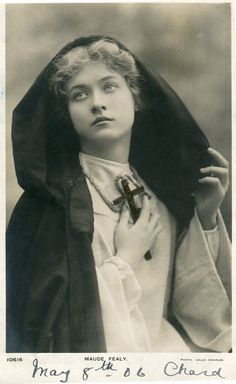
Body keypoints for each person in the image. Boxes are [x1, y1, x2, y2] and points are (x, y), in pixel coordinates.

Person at [6, 35, 231, 353]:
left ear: (135, 98)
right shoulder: (51, 204)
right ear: (66, 115)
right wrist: (125, 258)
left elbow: (192, 310)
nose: (97, 102)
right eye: (79, 94)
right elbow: (49, 324)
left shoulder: (157, 197)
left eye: (109, 86)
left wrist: (205, 217)